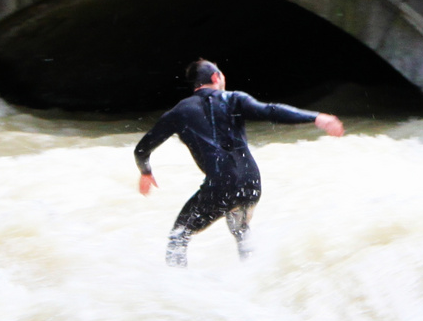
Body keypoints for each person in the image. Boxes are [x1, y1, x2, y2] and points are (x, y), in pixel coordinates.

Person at [134, 59, 345, 267]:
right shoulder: (234, 98)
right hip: (251, 183)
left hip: (220, 186)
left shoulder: (178, 113)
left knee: (178, 237)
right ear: (216, 77)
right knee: (240, 228)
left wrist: (146, 172)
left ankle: (177, 288)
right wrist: (316, 117)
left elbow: (142, 149)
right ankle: (253, 277)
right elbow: (270, 110)